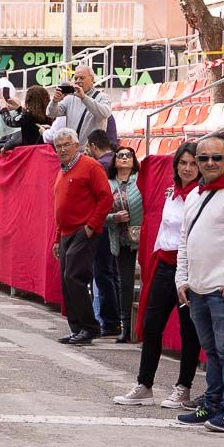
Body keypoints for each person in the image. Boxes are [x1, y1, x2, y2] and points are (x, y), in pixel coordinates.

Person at [174, 134, 224, 433]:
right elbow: (185, 240)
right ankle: (213, 401)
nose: (208, 163)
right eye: (202, 158)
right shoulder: (195, 194)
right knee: (210, 350)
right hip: (197, 286)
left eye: (215, 158)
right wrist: (182, 278)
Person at [114, 142, 201, 408]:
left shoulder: (202, 194)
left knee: (189, 331)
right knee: (151, 325)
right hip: (165, 264)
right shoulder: (170, 193)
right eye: (182, 163)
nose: (187, 168)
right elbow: (164, 229)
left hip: (190, 269)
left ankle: (183, 387)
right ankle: (144, 385)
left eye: (192, 163)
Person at [51, 129, 113, 346]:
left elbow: (106, 198)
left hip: (82, 230)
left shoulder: (90, 166)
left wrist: (91, 226)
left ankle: (89, 327)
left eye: (67, 144)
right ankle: (77, 328)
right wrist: (58, 238)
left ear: (77, 145)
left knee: (74, 278)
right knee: (67, 282)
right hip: (67, 232)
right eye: (58, 146)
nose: (62, 149)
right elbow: (61, 207)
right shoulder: (62, 171)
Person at [106, 145, 143, 342]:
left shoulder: (141, 179)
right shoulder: (108, 183)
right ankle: (126, 326)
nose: (124, 158)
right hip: (120, 239)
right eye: (120, 155)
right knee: (125, 284)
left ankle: (143, 326)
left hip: (142, 237)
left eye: (129, 155)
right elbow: (99, 212)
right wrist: (113, 217)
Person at [87, 130, 122, 336]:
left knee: (102, 274)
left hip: (104, 224)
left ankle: (109, 321)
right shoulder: (119, 161)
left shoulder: (97, 166)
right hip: (121, 225)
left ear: (93, 146)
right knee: (113, 275)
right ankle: (116, 319)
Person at [47, 65, 114, 143]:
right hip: (73, 148)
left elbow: (105, 113)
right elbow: (50, 113)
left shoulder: (103, 97)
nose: (78, 81)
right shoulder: (70, 98)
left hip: (92, 149)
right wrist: (54, 102)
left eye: (82, 78)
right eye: (75, 78)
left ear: (92, 79)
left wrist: (84, 98)